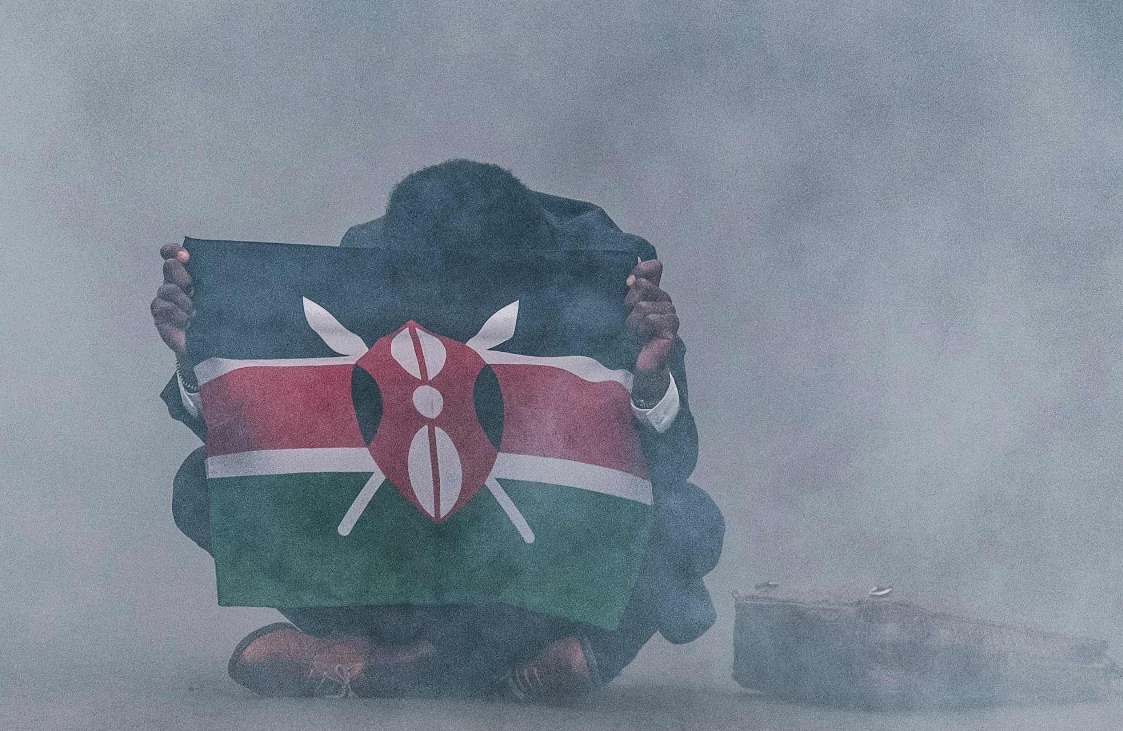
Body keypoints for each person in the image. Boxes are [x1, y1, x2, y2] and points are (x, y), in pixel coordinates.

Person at [151, 160, 723, 701]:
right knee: (199, 485)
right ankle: (488, 671)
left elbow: (671, 465)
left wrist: (649, 377)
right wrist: (196, 358)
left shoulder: (609, 280)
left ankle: (382, 665)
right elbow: (274, 444)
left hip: (535, 573)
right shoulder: (369, 262)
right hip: (402, 555)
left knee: (687, 519)